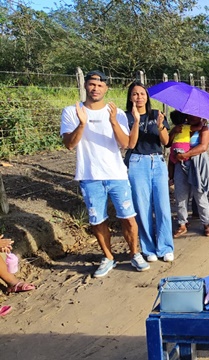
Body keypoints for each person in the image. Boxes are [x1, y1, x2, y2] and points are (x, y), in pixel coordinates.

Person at [60, 70, 149, 277]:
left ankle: (134, 253)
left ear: (106, 88)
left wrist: (114, 122)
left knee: (128, 218)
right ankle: (108, 257)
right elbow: (69, 145)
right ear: (85, 86)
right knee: (97, 219)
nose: (95, 88)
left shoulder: (115, 112)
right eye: (92, 84)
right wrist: (82, 124)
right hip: (90, 176)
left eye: (100, 86)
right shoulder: (71, 112)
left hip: (116, 174)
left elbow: (127, 144)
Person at [124, 81, 174, 263]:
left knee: (162, 205)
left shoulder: (156, 114)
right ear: (130, 97)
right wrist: (136, 121)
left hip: (157, 161)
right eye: (135, 94)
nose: (139, 97)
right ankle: (148, 248)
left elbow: (166, 141)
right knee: (142, 207)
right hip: (137, 162)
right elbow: (130, 142)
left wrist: (160, 125)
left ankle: (165, 247)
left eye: (142, 94)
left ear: (147, 96)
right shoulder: (126, 117)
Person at [171, 113, 209, 237]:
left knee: (200, 195)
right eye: (188, 115)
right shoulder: (182, 127)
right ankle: (182, 223)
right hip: (180, 164)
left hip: (197, 164)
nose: (191, 117)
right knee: (180, 195)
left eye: (194, 115)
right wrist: (174, 131)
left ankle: (206, 223)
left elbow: (203, 146)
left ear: (201, 116)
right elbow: (169, 143)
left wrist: (185, 155)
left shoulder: (204, 129)